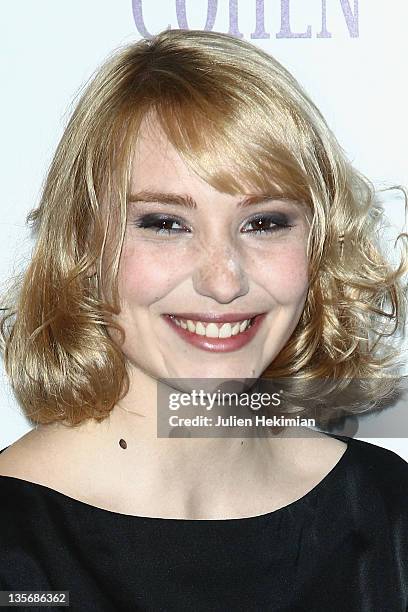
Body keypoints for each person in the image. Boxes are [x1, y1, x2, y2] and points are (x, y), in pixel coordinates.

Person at [0, 27, 407, 611]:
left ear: (317, 245)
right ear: (85, 243)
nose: (224, 280)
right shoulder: (14, 549)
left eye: (264, 222)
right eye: (165, 223)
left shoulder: (386, 516)